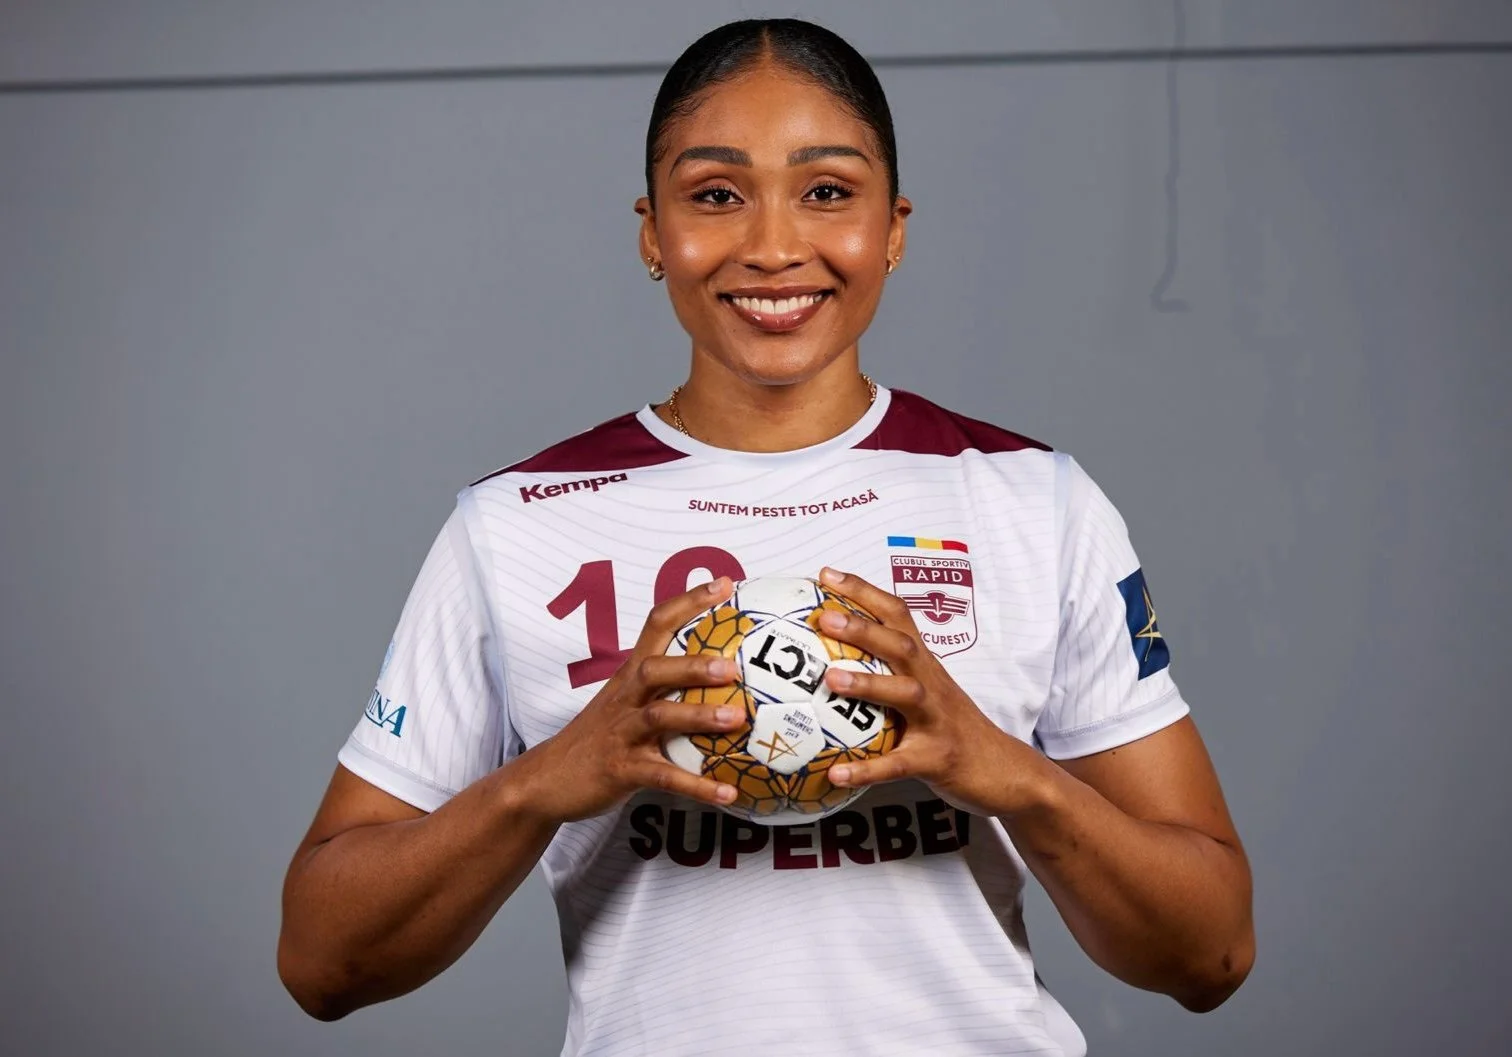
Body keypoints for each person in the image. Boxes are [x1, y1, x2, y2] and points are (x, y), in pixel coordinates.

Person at [277, 18, 1253, 1056]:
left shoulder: (1031, 501)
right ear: (653, 233)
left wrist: (998, 766)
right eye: (715, 194)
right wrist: (543, 780)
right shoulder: (520, 521)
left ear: (893, 228)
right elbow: (323, 961)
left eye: (827, 191)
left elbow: (1210, 951)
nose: (775, 245)